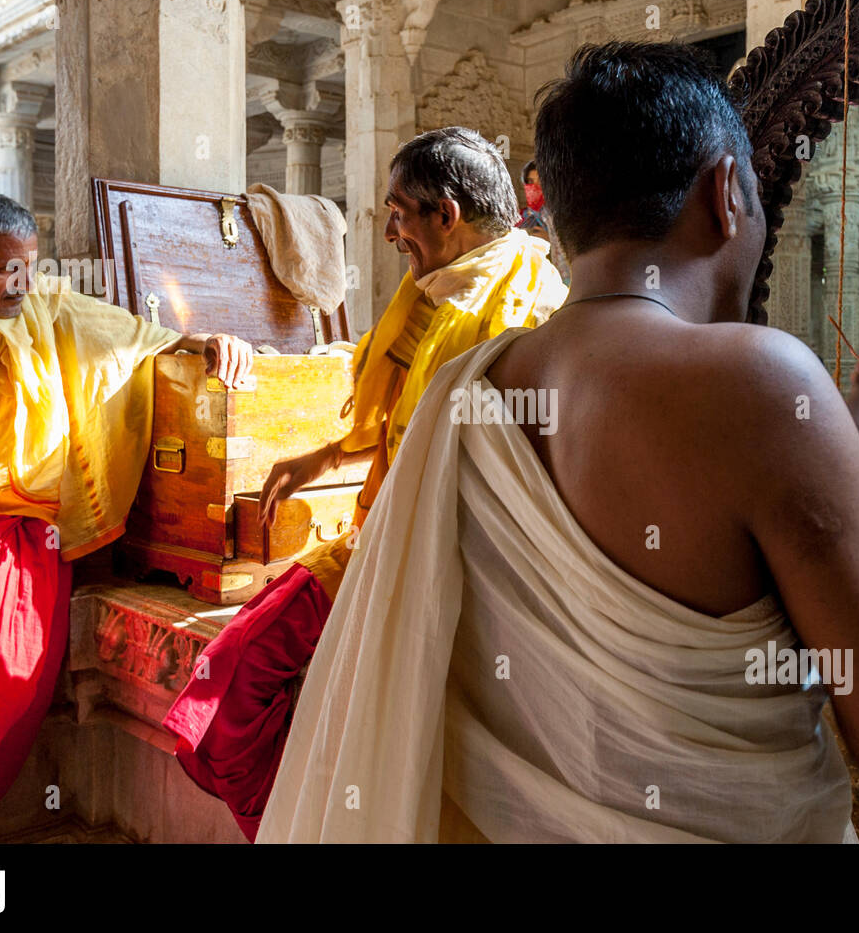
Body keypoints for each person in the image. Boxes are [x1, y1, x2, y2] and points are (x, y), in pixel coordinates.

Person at [256, 41, 859, 843]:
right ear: (725, 195)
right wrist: (852, 470)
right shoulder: (760, 384)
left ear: (565, 219)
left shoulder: (460, 392)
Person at [162, 126, 568, 841]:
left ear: (446, 214)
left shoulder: (529, 310)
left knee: (236, 678)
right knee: (226, 692)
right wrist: (321, 460)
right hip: (379, 535)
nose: (387, 230)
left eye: (397, 210)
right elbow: (401, 426)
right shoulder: (435, 292)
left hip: (438, 559)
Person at [0, 189, 253, 843]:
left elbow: (142, 341)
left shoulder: (50, 316)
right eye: (2, 268)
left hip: (17, 542)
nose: (22, 283)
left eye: (27, 267)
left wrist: (206, 340)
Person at [517, 160, 571, 285]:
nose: (535, 187)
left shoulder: (564, 215)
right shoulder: (522, 218)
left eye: (541, 181)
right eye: (530, 182)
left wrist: (550, 240)